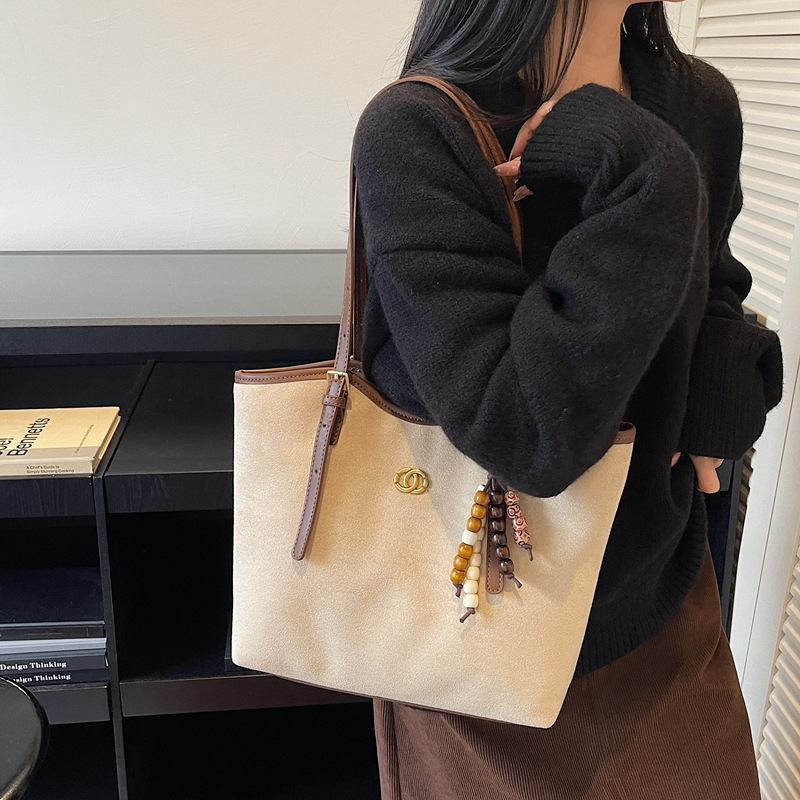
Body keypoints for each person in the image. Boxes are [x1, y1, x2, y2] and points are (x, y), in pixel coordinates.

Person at [351, 0, 784, 798]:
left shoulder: (699, 102)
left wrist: (715, 401)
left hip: (661, 612)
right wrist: (642, 170)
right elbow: (522, 427)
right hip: (473, 640)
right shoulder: (420, 129)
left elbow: (714, 283)